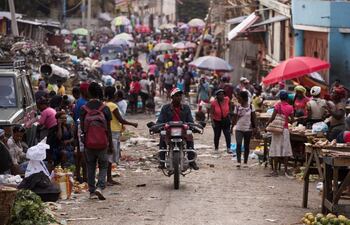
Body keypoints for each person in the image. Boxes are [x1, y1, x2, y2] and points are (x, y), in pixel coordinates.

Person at [80, 82, 113, 200]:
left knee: (90, 166)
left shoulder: (84, 109)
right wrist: (111, 145)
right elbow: (108, 129)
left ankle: (92, 191)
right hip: (103, 143)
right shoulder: (105, 108)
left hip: (89, 143)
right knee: (103, 165)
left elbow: (82, 128)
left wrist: (82, 144)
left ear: (88, 92)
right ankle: (100, 187)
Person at [157, 88, 199, 170]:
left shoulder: (186, 108)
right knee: (162, 136)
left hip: (182, 131)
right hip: (169, 131)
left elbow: (190, 120)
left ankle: (191, 161)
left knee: (190, 135)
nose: (179, 97)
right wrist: (157, 126)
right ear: (172, 97)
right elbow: (160, 120)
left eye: (180, 95)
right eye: (176, 95)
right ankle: (161, 162)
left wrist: (193, 127)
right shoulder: (165, 108)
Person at [105, 86, 138, 186]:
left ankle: (108, 178)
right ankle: (109, 179)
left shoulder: (106, 104)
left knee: (110, 156)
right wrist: (132, 124)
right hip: (113, 132)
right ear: (114, 94)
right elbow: (120, 119)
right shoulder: (113, 106)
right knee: (110, 156)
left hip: (112, 131)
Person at [266, 90, 294, 177]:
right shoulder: (290, 107)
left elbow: (273, 117)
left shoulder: (277, 105)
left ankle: (275, 170)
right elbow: (292, 120)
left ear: (280, 98)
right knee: (285, 149)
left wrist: (267, 125)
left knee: (275, 148)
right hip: (285, 129)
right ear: (287, 98)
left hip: (277, 130)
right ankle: (285, 170)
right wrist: (287, 119)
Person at [231, 91, 257, 168]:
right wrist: (231, 127)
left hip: (248, 129)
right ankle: (238, 161)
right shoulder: (237, 107)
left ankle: (245, 162)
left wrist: (255, 127)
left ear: (243, 98)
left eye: (239, 97)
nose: (238, 99)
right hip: (239, 128)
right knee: (238, 144)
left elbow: (254, 118)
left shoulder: (251, 107)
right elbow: (234, 118)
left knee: (246, 145)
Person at [210, 89, 232, 153]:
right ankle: (216, 148)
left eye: (222, 94)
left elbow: (231, 104)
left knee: (227, 134)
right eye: (220, 95)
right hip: (217, 121)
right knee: (217, 135)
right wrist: (212, 122)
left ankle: (228, 148)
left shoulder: (227, 99)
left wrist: (229, 112)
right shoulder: (213, 103)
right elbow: (211, 113)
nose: (221, 96)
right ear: (217, 96)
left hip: (226, 120)